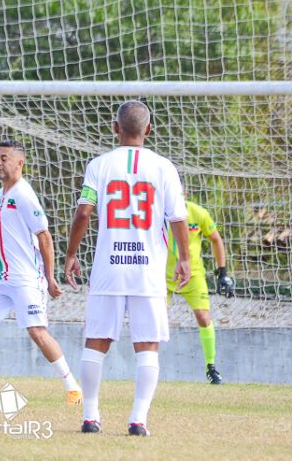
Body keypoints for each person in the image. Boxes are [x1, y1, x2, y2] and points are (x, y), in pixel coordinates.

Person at [64, 100, 191, 436]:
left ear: (115, 128)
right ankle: (138, 420)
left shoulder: (99, 165)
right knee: (147, 346)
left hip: (109, 267)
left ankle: (90, 417)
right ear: (148, 129)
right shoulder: (164, 167)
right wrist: (184, 259)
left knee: (96, 341)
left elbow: (84, 212)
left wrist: (71, 253)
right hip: (148, 270)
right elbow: (178, 217)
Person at [0, 139, 83, 404]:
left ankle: (73, 389)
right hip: (1, 275)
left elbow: (44, 237)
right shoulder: (1, 194)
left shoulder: (24, 195)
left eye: (4, 158)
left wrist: (50, 278)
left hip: (25, 277)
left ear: (19, 162)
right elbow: (8, 236)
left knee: (37, 332)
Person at [166, 199, 234, 385]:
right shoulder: (159, 213)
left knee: (204, 317)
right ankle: (149, 363)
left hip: (193, 274)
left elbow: (216, 239)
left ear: (185, 194)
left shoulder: (199, 213)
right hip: (163, 275)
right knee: (156, 319)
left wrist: (223, 273)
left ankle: (211, 367)